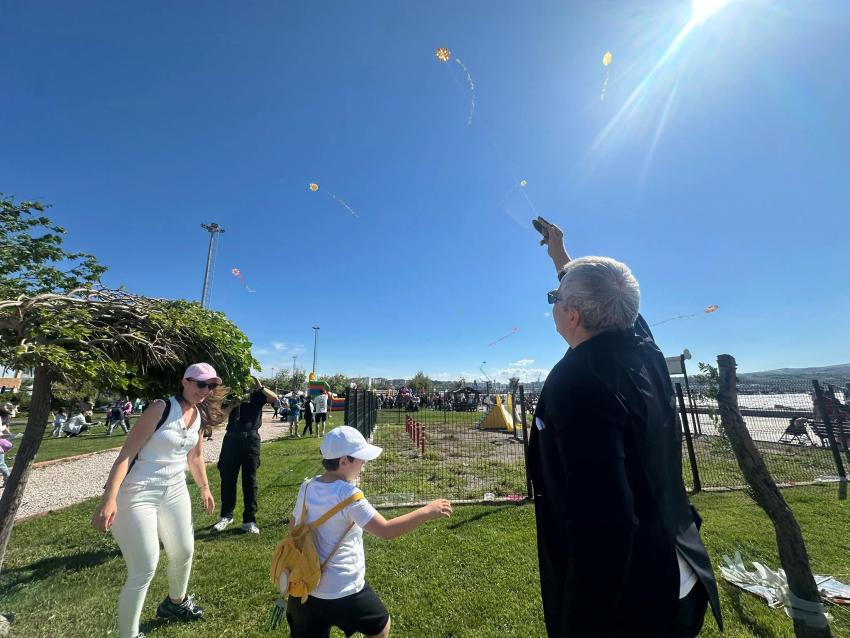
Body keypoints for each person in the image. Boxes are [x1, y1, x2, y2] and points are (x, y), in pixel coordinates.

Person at [527, 218, 722, 637]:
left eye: (554, 299)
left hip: (634, 598)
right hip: (682, 571)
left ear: (572, 315)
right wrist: (560, 256)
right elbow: (613, 299)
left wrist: (580, 623)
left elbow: (605, 525)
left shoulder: (579, 383)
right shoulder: (646, 351)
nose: (553, 305)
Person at [91, 363, 223, 638]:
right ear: (184, 382)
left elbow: (195, 457)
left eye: (210, 386)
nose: (205, 390)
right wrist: (109, 499)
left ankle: (176, 603)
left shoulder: (198, 414)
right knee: (144, 568)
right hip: (137, 492)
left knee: (184, 551)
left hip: (174, 489)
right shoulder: (160, 408)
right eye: (201, 384)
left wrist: (205, 489)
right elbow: (126, 454)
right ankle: (128, 635)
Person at [285, 426, 452, 638]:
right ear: (344, 461)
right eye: (360, 459)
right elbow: (385, 530)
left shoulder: (307, 486)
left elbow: (293, 526)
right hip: (343, 588)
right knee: (380, 626)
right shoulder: (350, 495)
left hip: (304, 586)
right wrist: (427, 511)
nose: (363, 465)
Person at [213, 376, 278, 535]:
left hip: (251, 439)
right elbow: (220, 417)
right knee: (227, 478)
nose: (244, 384)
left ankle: (249, 520)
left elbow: (275, 399)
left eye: (248, 381)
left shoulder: (257, 394)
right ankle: (226, 516)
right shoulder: (232, 395)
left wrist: (260, 386)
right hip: (231, 438)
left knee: (250, 480)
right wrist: (233, 404)